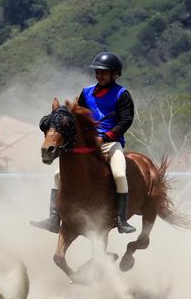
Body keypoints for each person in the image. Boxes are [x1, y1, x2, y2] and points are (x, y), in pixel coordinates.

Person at [31, 51, 136, 234]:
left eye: (104, 72)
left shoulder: (122, 94)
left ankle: (121, 219)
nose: (100, 75)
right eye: (97, 71)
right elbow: (77, 118)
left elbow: (126, 121)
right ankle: (54, 218)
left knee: (119, 174)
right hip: (88, 144)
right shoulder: (86, 93)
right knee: (58, 174)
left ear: (115, 74)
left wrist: (106, 137)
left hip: (111, 143)